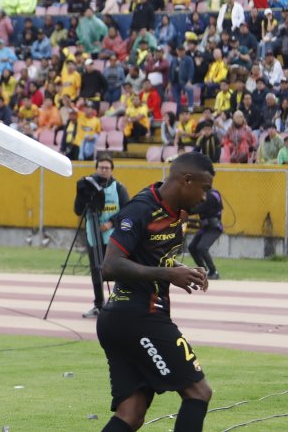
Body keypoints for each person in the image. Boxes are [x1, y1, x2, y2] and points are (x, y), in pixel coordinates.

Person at [97, 152, 215, 432]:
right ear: (186, 180)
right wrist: (168, 273)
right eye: (205, 187)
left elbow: (148, 256)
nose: (205, 196)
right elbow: (110, 265)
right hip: (139, 316)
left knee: (132, 413)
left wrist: (179, 270)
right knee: (199, 392)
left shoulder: (175, 212)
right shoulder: (142, 209)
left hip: (122, 319)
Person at [76, 155, 130, 318]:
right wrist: (80, 193)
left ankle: (118, 303)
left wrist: (111, 223)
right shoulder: (88, 186)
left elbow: (127, 211)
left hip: (114, 237)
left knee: (115, 271)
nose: (104, 171)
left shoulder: (119, 188)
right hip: (93, 234)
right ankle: (98, 304)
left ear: (112, 170)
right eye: (101, 168)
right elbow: (78, 210)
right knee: (96, 270)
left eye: (107, 168)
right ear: (96, 168)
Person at [187, 188, 224, 280]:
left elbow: (200, 208)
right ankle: (204, 271)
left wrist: (186, 210)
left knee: (202, 248)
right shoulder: (200, 194)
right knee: (192, 247)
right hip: (205, 228)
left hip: (214, 228)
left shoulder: (213, 194)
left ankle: (214, 272)